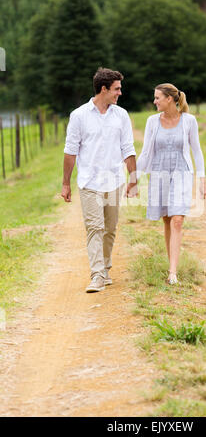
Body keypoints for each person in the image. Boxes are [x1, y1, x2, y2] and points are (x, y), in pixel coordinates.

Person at [61, 67, 138, 293]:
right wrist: (66, 183)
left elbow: (128, 148)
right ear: (103, 89)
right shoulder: (79, 116)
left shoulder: (121, 115)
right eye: (116, 89)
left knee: (110, 228)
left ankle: (105, 268)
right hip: (89, 182)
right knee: (95, 227)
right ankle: (96, 275)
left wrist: (133, 179)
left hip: (114, 180)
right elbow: (70, 152)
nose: (119, 93)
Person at [137, 83, 206, 285]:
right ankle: (172, 265)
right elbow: (145, 152)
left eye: (157, 97)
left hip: (181, 173)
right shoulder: (152, 121)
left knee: (177, 219)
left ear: (169, 99)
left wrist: (201, 179)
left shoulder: (188, 121)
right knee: (167, 220)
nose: (154, 101)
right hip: (159, 173)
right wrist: (134, 179)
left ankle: (173, 273)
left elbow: (197, 151)